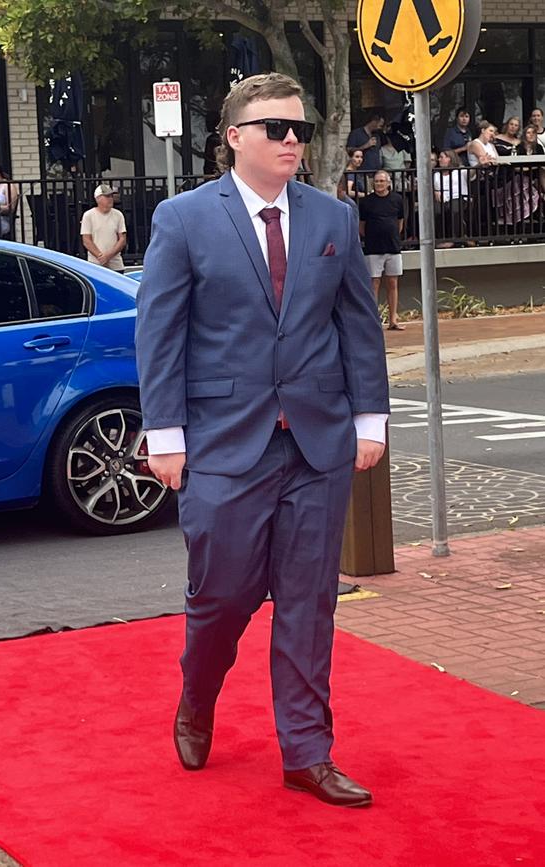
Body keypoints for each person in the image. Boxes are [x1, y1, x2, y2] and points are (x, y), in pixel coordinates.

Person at [135, 72, 389, 808]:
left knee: (310, 604)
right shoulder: (183, 219)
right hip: (221, 443)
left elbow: (357, 327)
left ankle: (307, 752)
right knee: (222, 596)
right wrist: (166, 435)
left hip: (317, 443)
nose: (291, 141)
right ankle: (197, 694)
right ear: (235, 138)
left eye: (300, 130)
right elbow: (161, 335)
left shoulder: (333, 218)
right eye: (276, 128)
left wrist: (367, 420)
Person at [359, 169, 405, 330]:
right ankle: (374, 320)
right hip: (373, 248)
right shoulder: (366, 202)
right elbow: (362, 226)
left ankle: (393, 319)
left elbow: (400, 222)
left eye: (382, 181)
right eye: (377, 181)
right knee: (374, 283)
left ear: (388, 183)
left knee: (393, 282)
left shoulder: (397, 199)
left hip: (393, 246)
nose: (379, 184)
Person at [80, 183, 127, 271]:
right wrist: (100, 256)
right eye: (107, 196)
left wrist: (108, 255)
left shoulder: (118, 215)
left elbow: (122, 239)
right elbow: (86, 240)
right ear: (98, 199)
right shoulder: (88, 215)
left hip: (116, 264)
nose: (110, 199)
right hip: (95, 265)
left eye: (111, 196)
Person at [433, 150, 468, 247]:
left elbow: (472, 173)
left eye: (441, 157)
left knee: (454, 209)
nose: (439, 159)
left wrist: (479, 164)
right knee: (437, 211)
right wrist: (435, 191)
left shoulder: (460, 171)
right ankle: (440, 239)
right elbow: (433, 187)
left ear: (449, 159)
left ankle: (454, 239)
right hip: (443, 199)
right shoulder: (436, 174)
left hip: (458, 197)